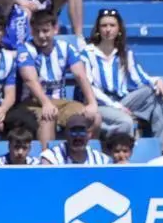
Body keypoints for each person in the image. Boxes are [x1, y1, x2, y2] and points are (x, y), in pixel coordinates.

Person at [82, 7, 163, 138]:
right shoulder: (88, 53)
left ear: (119, 29)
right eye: (104, 25)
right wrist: (114, 105)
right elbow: (89, 87)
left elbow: (141, 78)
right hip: (100, 104)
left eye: (112, 25)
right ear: (98, 29)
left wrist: (158, 81)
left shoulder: (125, 53)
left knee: (158, 94)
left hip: (123, 101)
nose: (108, 29)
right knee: (155, 100)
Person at [13, 10, 101, 146]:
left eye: (45, 31)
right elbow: (30, 80)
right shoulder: (25, 50)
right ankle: (46, 157)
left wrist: (92, 102)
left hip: (61, 102)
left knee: (95, 117)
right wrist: (45, 103)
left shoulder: (66, 48)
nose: (41, 36)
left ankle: (85, 154)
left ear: (55, 29)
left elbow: (80, 75)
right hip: (32, 103)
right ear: (31, 31)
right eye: (37, 31)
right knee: (48, 117)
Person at [39, 114, 112, 165]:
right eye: (73, 131)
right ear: (65, 134)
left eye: (82, 131)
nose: (78, 137)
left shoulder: (101, 160)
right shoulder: (51, 157)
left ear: (89, 135)